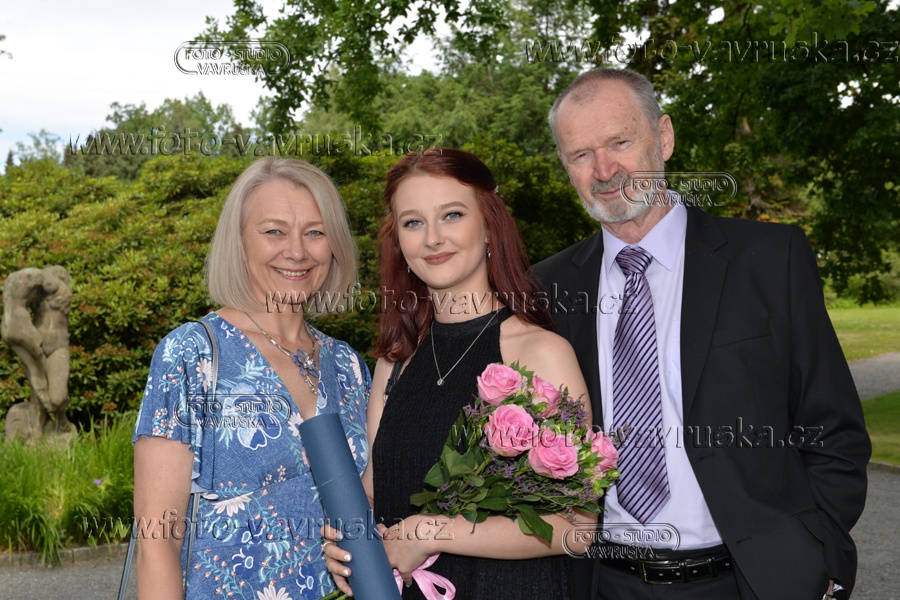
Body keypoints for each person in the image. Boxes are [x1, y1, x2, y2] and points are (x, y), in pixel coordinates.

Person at [533, 67, 870, 600]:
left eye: (620, 142)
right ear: (565, 164)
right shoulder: (546, 288)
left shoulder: (769, 260)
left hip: (749, 583)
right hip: (603, 583)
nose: (604, 169)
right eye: (581, 154)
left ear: (663, 137)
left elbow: (833, 428)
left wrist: (814, 554)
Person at [323, 148, 596, 599]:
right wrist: (347, 539)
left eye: (452, 215)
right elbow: (375, 487)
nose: (433, 238)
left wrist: (434, 532)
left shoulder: (540, 352)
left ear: (488, 225)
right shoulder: (395, 361)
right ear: (399, 244)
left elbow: (578, 526)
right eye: (413, 222)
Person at [132, 157, 371, 600]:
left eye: (315, 232)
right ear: (239, 241)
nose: (297, 251)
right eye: (274, 231)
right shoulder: (192, 355)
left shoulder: (349, 366)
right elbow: (157, 541)